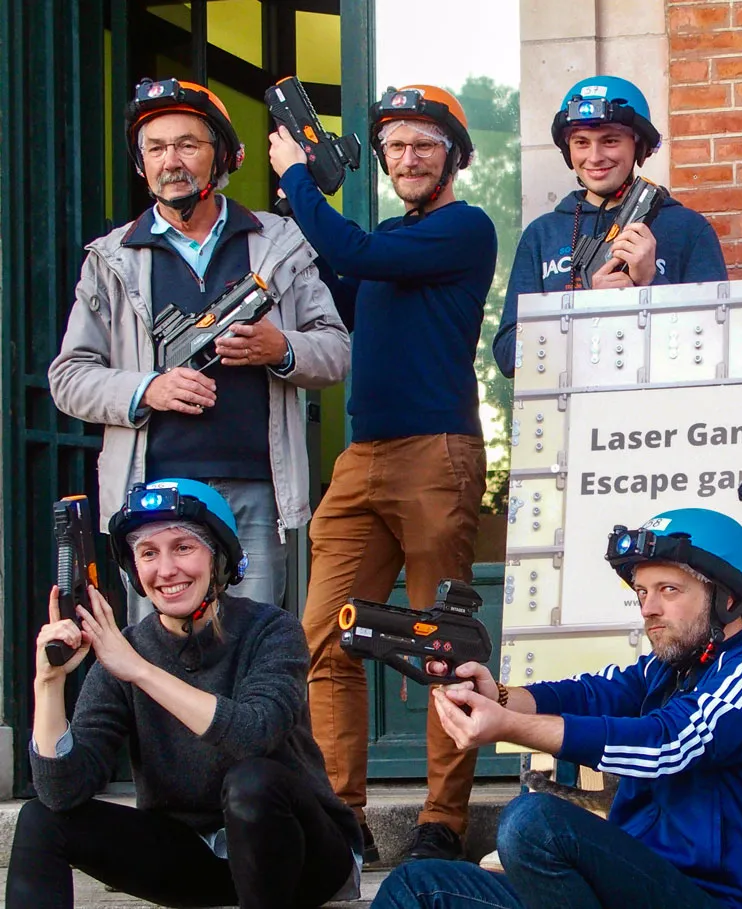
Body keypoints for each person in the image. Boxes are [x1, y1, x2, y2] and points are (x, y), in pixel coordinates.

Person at [371, 509, 742, 909]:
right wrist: (499, 697)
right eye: (642, 591)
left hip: (718, 898)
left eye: (669, 589)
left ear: (728, 597)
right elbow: (588, 694)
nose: (649, 608)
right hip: (626, 887)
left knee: (533, 824)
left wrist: (510, 726)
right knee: (418, 885)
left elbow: (671, 742)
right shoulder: (666, 670)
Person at [268, 84, 495, 864]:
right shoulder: (383, 243)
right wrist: (296, 217)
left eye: (423, 144)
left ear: (453, 157)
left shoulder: (465, 227)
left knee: (443, 642)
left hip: (438, 451)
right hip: (362, 457)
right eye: (395, 145)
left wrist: (300, 180)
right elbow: (338, 284)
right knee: (323, 640)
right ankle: (342, 815)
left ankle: (442, 819)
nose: (407, 158)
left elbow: (354, 253)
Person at [48, 77, 351, 616]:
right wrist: (149, 388)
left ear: (224, 156)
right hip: (150, 499)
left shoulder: (279, 242)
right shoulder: (110, 259)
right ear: (141, 165)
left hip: (257, 494)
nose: (172, 161)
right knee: (160, 664)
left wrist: (278, 348)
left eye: (188, 144)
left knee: (250, 656)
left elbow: (337, 350)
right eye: (156, 148)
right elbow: (68, 377)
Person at [7, 478, 362, 909]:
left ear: (220, 558)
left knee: (251, 782)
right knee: (41, 817)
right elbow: (62, 792)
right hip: (194, 858)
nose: (166, 570)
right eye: (149, 553)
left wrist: (139, 670)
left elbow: (253, 735)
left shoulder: (272, 630)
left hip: (303, 857)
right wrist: (49, 682)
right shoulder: (128, 651)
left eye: (184, 547)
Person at [492, 76, 727, 377]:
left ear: (638, 145)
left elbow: (716, 342)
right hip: (570, 416)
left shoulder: (688, 228)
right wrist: (584, 310)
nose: (594, 157)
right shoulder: (541, 235)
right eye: (581, 143)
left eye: (610, 140)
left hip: (664, 418)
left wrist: (648, 284)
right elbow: (508, 355)